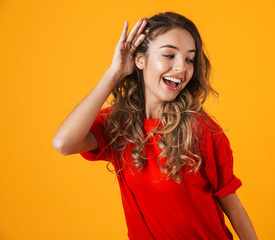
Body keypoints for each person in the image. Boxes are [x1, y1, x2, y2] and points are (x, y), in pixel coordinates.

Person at [53, 11, 258, 240]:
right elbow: (63, 143)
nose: (181, 67)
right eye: (169, 55)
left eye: (189, 59)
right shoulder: (118, 125)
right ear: (139, 59)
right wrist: (114, 73)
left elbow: (233, 206)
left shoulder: (201, 129)